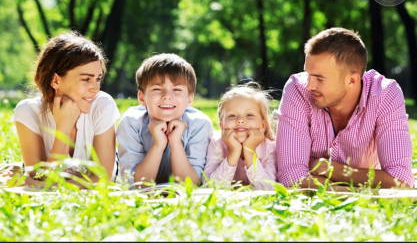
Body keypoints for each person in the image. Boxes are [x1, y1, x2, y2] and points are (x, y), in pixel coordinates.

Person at [276, 27, 414, 188]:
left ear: (352, 80)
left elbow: (400, 180)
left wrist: (329, 169)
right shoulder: (296, 89)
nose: (309, 85)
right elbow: (291, 176)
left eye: (319, 79)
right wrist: (348, 190)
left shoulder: (385, 94)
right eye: (308, 74)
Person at [13, 32, 119, 184]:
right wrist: (63, 127)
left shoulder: (102, 105)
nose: (95, 88)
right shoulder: (28, 112)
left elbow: (103, 179)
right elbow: (38, 177)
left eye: (98, 79)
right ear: (55, 80)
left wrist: (47, 183)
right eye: (86, 79)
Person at [116, 53, 213, 185]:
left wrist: (175, 142)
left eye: (177, 89)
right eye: (157, 89)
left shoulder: (199, 124)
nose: (167, 96)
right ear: (141, 97)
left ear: (190, 98)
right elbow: (135, 185)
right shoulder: (131, 122)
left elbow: (191, 184)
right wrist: (158, 144)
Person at [204, 83, 276, 190]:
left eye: (249, 115)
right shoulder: (217, 143)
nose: (241, 120)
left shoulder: (269, 148)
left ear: (263, 125)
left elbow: (268, 188)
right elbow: (210, 187)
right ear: (222, 125)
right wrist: (233, 152)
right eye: (232, 116)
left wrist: (249, 151)